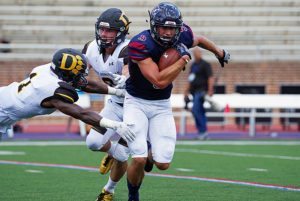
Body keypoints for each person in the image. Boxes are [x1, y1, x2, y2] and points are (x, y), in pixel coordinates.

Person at [123, 2, 230, 201]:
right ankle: (133, 195)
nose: (167, 32)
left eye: (171, 28)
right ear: (153, 25)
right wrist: (182, 58)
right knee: (137, 158)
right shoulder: (140, 43)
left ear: (178, 27)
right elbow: (159, 80)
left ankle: (148, 149)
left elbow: (199, 39)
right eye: (163, 27)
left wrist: (219, 52)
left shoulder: (182, 35)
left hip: (161, 105)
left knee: (163, 163)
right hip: (136, 101)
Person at [0, 48, 135, 144]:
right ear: (65, 73)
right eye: (77, 74)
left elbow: (85, 84)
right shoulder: (51, 89)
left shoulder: (49, 70)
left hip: (6, 107)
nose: (81, 77)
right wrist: (115, 125)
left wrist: (118, 92)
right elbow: (82, 114)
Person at [82, 8, 131, 201]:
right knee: (93, 142)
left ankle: (108, 190)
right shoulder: (90, 48)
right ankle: (113, 153)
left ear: (121, 32)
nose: (103, 34)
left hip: (136, 107)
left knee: (128, 155)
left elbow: (128, 72)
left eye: (109, 30)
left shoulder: (128, 49)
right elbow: (80, 76)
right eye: (101, 29)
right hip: (114, 103)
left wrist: (124, 78)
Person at [184, 47, 214, 140]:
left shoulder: (205, 64)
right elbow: (190, 79)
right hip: (194, 92)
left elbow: (210, 78)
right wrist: (186, 91)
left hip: (201, 91)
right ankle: (202, 132)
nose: (197, 54)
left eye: (198, 52)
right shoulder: (193, 65)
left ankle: (203, 132)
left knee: (196, 110)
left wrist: (210, 90)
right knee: (198, 111)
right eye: (195, 53)